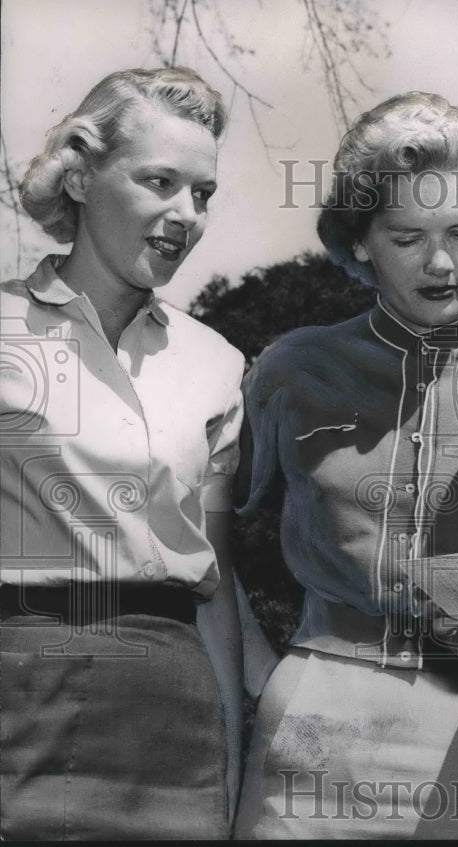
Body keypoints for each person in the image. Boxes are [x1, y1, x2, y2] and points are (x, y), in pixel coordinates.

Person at [233, 91, 458, 839]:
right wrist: (260, 667)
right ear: (360, 241)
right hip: (315, 724)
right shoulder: (290, 368)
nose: (442, 262)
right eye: (407, 236)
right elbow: (205, 541)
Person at [1, 66, 246, 839]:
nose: (186, 215)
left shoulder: (217, 363)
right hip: (20, 695)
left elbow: (217, 582)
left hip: (173, 716)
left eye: (201, 193)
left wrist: (232, 761)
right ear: (80, 176)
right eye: (160, 181)